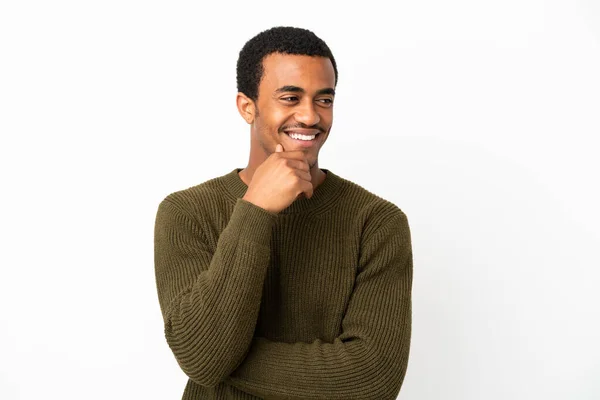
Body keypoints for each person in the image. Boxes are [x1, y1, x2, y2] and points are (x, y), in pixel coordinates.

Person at [154, 26, 413, 400]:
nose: (310, 117)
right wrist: (255, 208)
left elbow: (373, 379)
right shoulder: (187, 212)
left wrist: (224, 362)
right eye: (290, 97)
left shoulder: (376, 222)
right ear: (247, 106)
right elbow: (203, 359)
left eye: (324, 100)